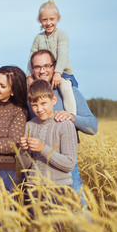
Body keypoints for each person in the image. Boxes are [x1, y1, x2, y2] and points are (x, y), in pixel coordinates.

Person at [29, 49, 98, 206]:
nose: (42, 71)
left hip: (66, 165)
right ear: (32, 69)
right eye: (37, 67)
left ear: (54, 67)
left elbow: (93, 126)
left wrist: (72, 117)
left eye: (47, 65)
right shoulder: (30, 96)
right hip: (39, 168)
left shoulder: (70, 92)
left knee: (79, 210)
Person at [19, 79, 77, 185]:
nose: (39, 109)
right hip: (33, 189)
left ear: (53, 100)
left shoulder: (65, 125)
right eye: (34, 105)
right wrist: (24, 150)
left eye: (43, 103)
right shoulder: (29, 125)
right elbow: (24, 165)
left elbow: (69, 164)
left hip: (59, 189)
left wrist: (43, 149)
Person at [27, 0, 78, 115]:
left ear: (58, 19)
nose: (48, 23)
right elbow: (31, 57)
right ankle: (31, 116)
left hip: (62, 71)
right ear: (40, 20)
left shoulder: (61, 35)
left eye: (52, 19)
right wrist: (29, 75)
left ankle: (71, 115)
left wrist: (58, 72)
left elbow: (62, 55)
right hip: (43, 72)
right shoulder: (38, 38)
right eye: (45, 19)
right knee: (30, 88)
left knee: (65, 87)